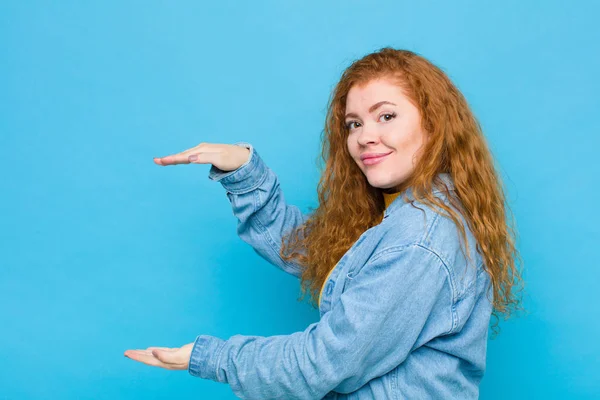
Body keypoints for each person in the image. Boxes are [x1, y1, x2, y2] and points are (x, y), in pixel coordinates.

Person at [124, 47, 523, 399]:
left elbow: (322, 364)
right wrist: (244, 172)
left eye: (386, 115)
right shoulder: (402, 214)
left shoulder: (419, 238)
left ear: (433, 124)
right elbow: (312, 249)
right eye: (354, 123)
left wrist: (210, 357)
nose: (366, 136)